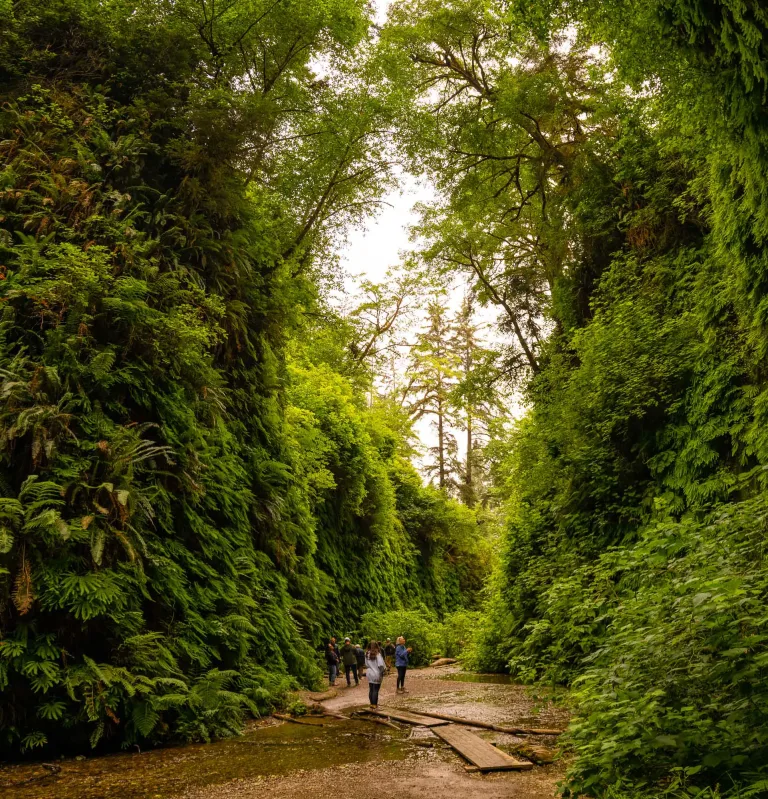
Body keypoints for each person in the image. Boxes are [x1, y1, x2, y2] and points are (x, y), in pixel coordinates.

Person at [365, 640, 386, 708]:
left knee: (371, 689)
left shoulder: (367, 654)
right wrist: (383, 671)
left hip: (369, 673)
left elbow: (366, 664)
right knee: (376, 690)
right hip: (377, 673)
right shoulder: (378, 654)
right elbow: (380, 665)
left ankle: (371, 704)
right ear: (377, 646)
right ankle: (375, 704)